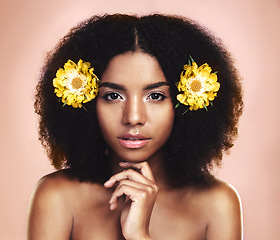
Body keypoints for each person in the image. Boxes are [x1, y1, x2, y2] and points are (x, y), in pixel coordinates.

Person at [27, 14, 243, 240]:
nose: (133, 117)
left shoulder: (218, 204)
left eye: (156, 96)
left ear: (184, 105)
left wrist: (138, 235)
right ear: (88, 103)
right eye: (113, 95)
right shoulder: (56, 196)